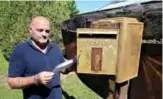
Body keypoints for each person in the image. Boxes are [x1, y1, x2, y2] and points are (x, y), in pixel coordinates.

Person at [7, 16, 66, 99]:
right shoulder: (21, 50)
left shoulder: (55, 48)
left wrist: (73, 63)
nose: (44, 34)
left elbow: (63, 69)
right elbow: (11, 82)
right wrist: (35, 79)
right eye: (40, 30)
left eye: (47, 31)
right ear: (30, 30)